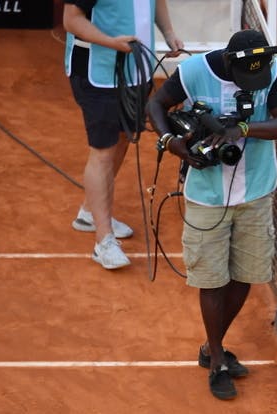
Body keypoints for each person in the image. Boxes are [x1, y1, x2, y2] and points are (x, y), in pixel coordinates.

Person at [146, 29, 277, 400]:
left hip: (258, 192)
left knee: (246, 275)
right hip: (206, 196)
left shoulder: (273, 69)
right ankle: (216, 357)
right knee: (212, 280)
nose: (256, 81)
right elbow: (155, 105)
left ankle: (213, 344)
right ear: (230, 62)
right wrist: (173, 143)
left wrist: (240, 128)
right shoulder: (195, 71)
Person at [63, 0, 183, 269]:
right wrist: (110, 42)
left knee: (123, 138)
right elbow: (71, 20)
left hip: (135, 73)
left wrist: (168, 33)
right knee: (103, 151)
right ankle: (103, 241)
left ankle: (89, 213)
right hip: (98, 73)